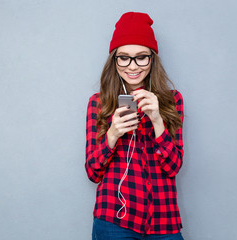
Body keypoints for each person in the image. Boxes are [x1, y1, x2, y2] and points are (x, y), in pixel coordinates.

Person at [85, 12, 185, 240]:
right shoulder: (98, 103)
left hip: (163, 221)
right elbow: (92, 172)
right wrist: (112, 135)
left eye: (141, 57)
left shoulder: (172, 100)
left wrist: (157, 119)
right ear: (114, 60)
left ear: (152, 59)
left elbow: (173, 167)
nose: (132, 66)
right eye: (124, 57)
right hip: (114, 220)